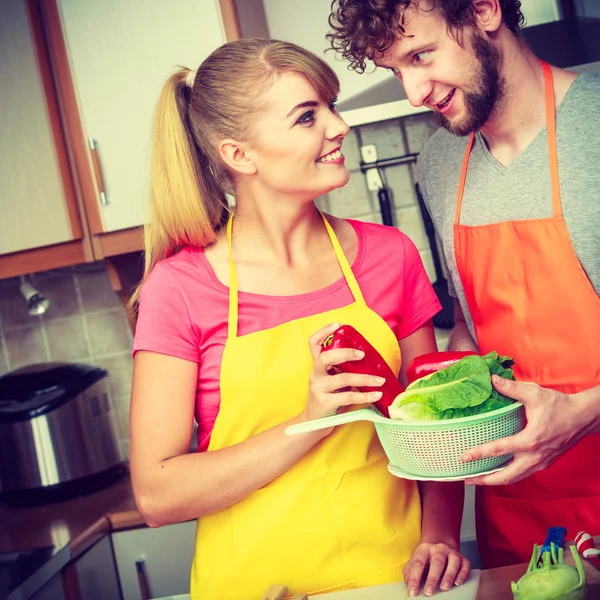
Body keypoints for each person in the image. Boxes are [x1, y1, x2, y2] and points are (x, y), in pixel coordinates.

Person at [129, 38, 471, 599]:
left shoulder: (389, 257)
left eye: (331, 106)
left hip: (396, 580)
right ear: (240, 154)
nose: (339, 126)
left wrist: (440, 537)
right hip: (253, 588)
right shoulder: (179, 288)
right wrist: (312, 418)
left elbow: (432, 428)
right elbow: (158, 495)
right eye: (308, 115)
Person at [327, 0, 600, 569]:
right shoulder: (440, 163)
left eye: (421, 55)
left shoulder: (593, 126)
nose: (414, 91)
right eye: (396, 70)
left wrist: (585, 411)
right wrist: (440, 528)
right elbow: (471, 336)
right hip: (518, 520)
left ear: (483, 10)